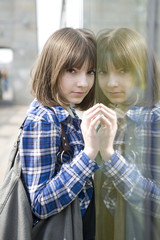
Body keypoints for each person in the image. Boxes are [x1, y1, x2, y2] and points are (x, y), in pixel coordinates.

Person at [19, 27, 103, 240]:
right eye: (72, 71)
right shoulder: (43, 119)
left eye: (90, 72)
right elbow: (39, 203)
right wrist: (89, 155)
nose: (83, 82)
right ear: (52, 68)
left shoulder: (67, 109)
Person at [94, 27, 160, 240]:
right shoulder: (107, 114)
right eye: (103, 72)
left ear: (142, 70)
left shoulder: (153, 120)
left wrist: (110, 158)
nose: (111, 83)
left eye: (123, 71)